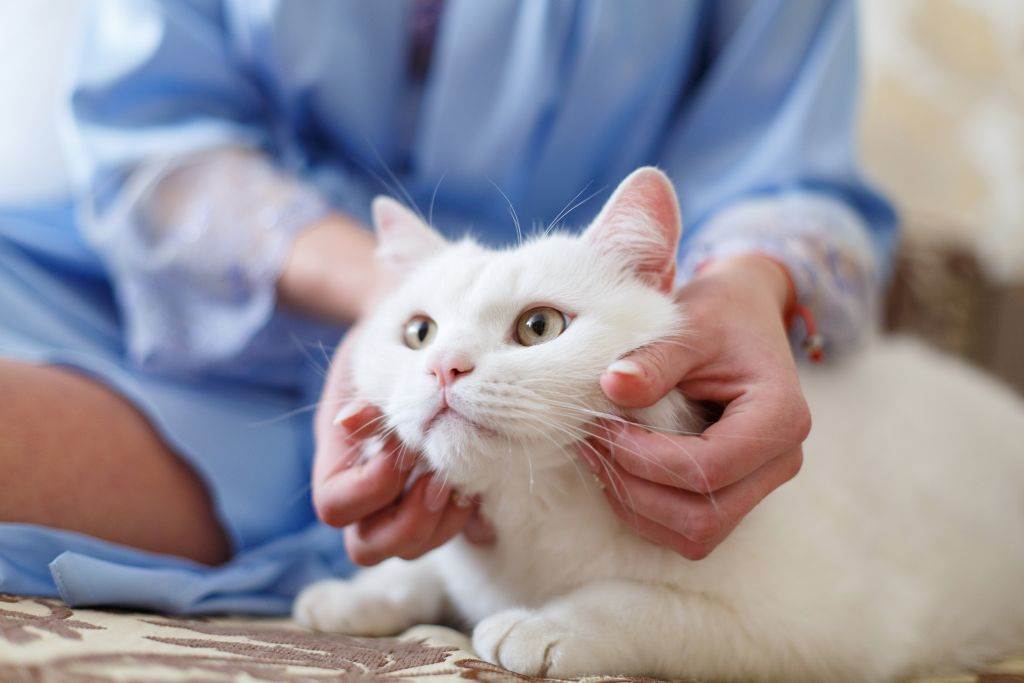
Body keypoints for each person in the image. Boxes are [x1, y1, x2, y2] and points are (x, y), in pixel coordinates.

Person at [0, 0, 895, 613]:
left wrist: (745, 283)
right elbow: (149, 138)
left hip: (533, 418)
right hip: (162, 284)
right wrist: (395, 299)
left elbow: (792, 168)